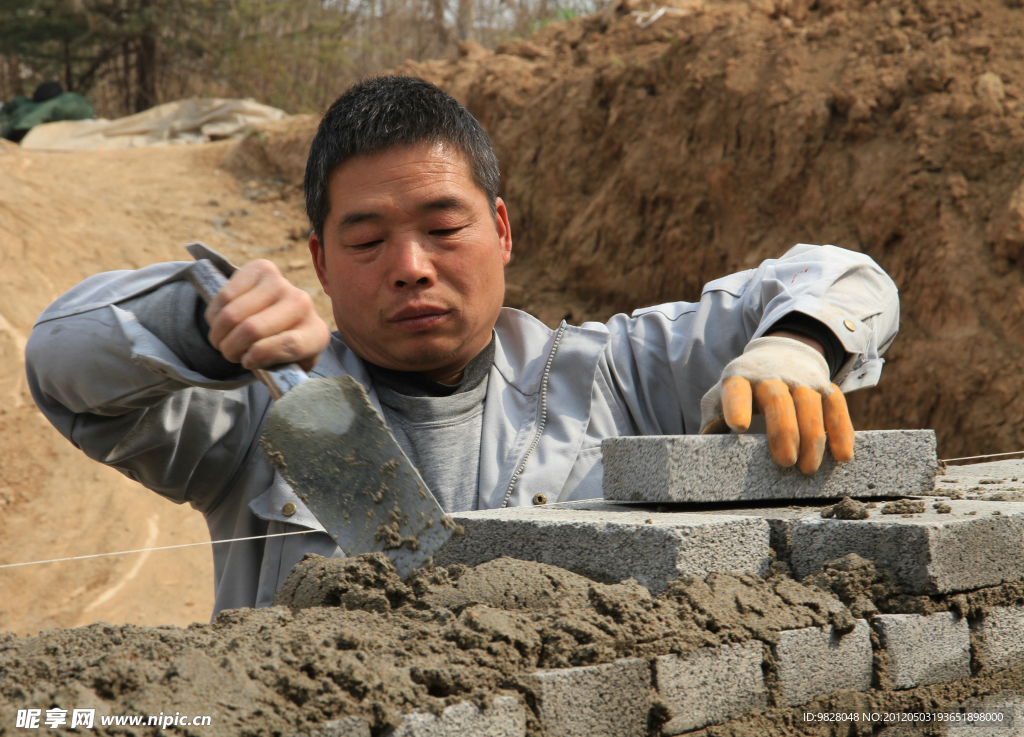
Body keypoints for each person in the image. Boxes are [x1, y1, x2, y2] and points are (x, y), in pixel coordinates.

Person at [25, 76, 899, 616]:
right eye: (367, 242)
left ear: (503, 230)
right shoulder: (266, 414)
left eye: (444, 226)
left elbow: (847, 275)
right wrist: (202, 329)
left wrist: (795, 344)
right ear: (321, 260)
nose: (411, 267)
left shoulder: (619, 373)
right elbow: (62, 366)